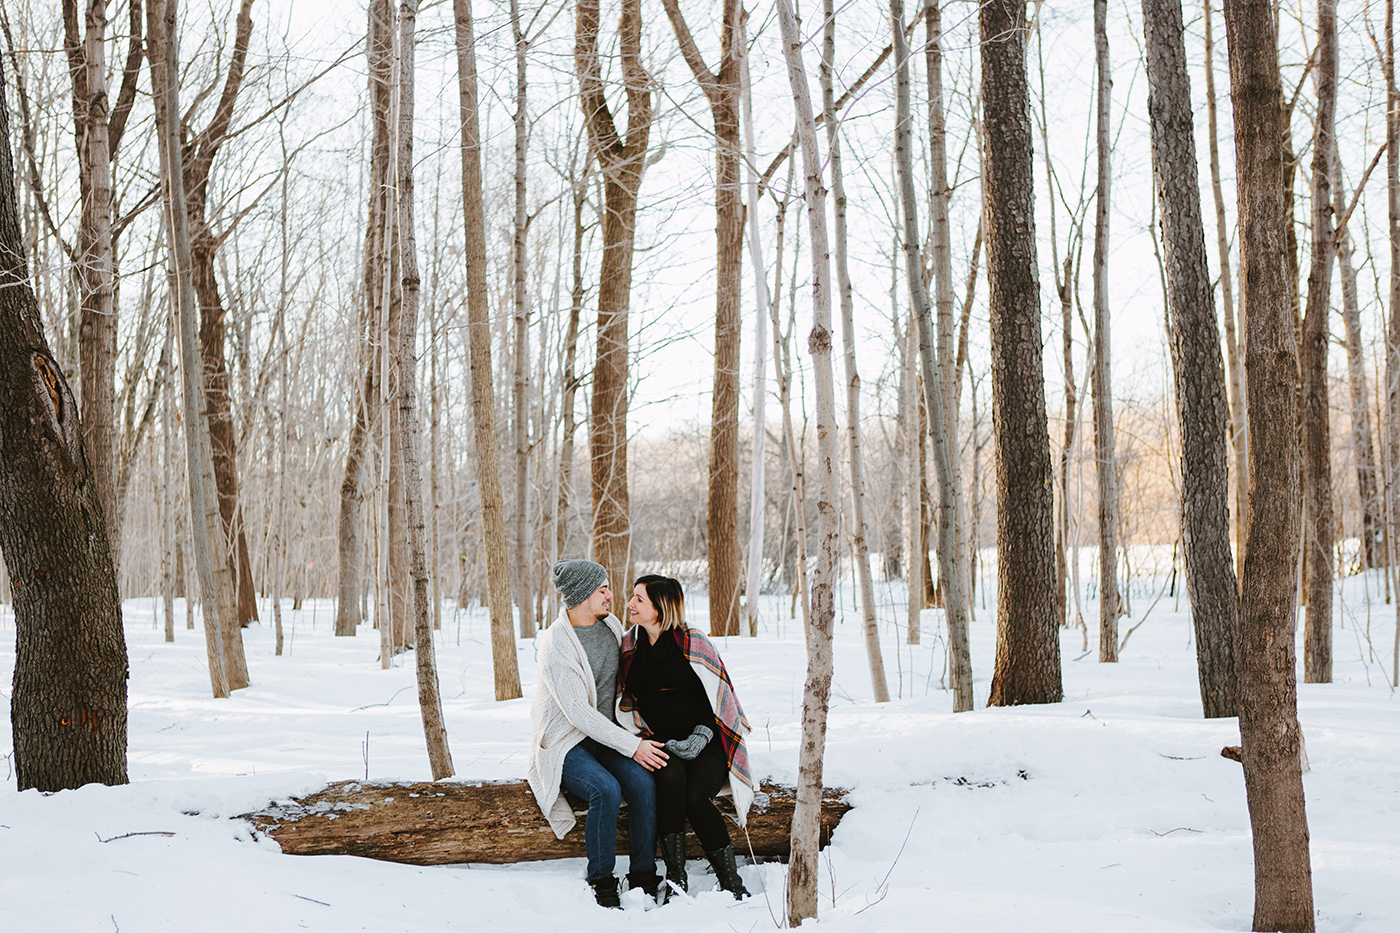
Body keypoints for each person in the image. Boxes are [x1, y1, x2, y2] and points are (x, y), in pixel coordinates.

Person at [527, 559, 668, 908]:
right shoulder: (557, 644)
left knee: (643, 783)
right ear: (582, 595)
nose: (610, 595)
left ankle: (642, 876)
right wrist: (632, 746)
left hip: (607, 735)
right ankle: (602, 881)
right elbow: (578, 713)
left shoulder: (611, 626)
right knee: (605, 789)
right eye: (602, 589)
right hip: (565, 741)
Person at [619, 575, 755, 901]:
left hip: (705, 739)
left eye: (639, 599)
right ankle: (677, 881)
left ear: (660, 607)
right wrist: (641, 736)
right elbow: (624, 701)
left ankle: (731, 882)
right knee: (670, 780)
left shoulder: (693, 641)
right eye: (633, 597)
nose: (630, 604)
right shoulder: (629, 645)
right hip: (659, 742)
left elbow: (719, 699)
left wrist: (700, 735)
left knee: (696, 796)